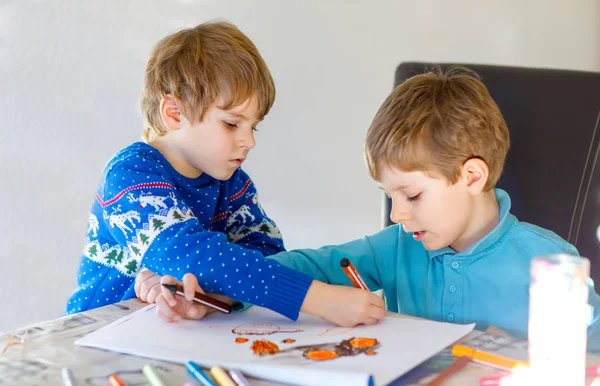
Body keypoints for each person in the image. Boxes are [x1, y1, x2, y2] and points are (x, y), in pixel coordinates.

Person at [140, 66, 600, 352]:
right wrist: (221, 295)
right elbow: (307, 264)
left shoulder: (549, 266)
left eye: (413, 195)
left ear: (472, 177)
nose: (398, 215)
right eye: (390, 196)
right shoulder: (397, 248)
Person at [65, 21, 385, 327]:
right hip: (96, 334)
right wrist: (320, 299)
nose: (250, 141)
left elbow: (267, 254)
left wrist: (211, 296)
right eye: (232, 124)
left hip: (175, 337)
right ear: (174, 113)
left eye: (253, 126)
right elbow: (187, 253)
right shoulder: (132, 173)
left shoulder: (232, 183)